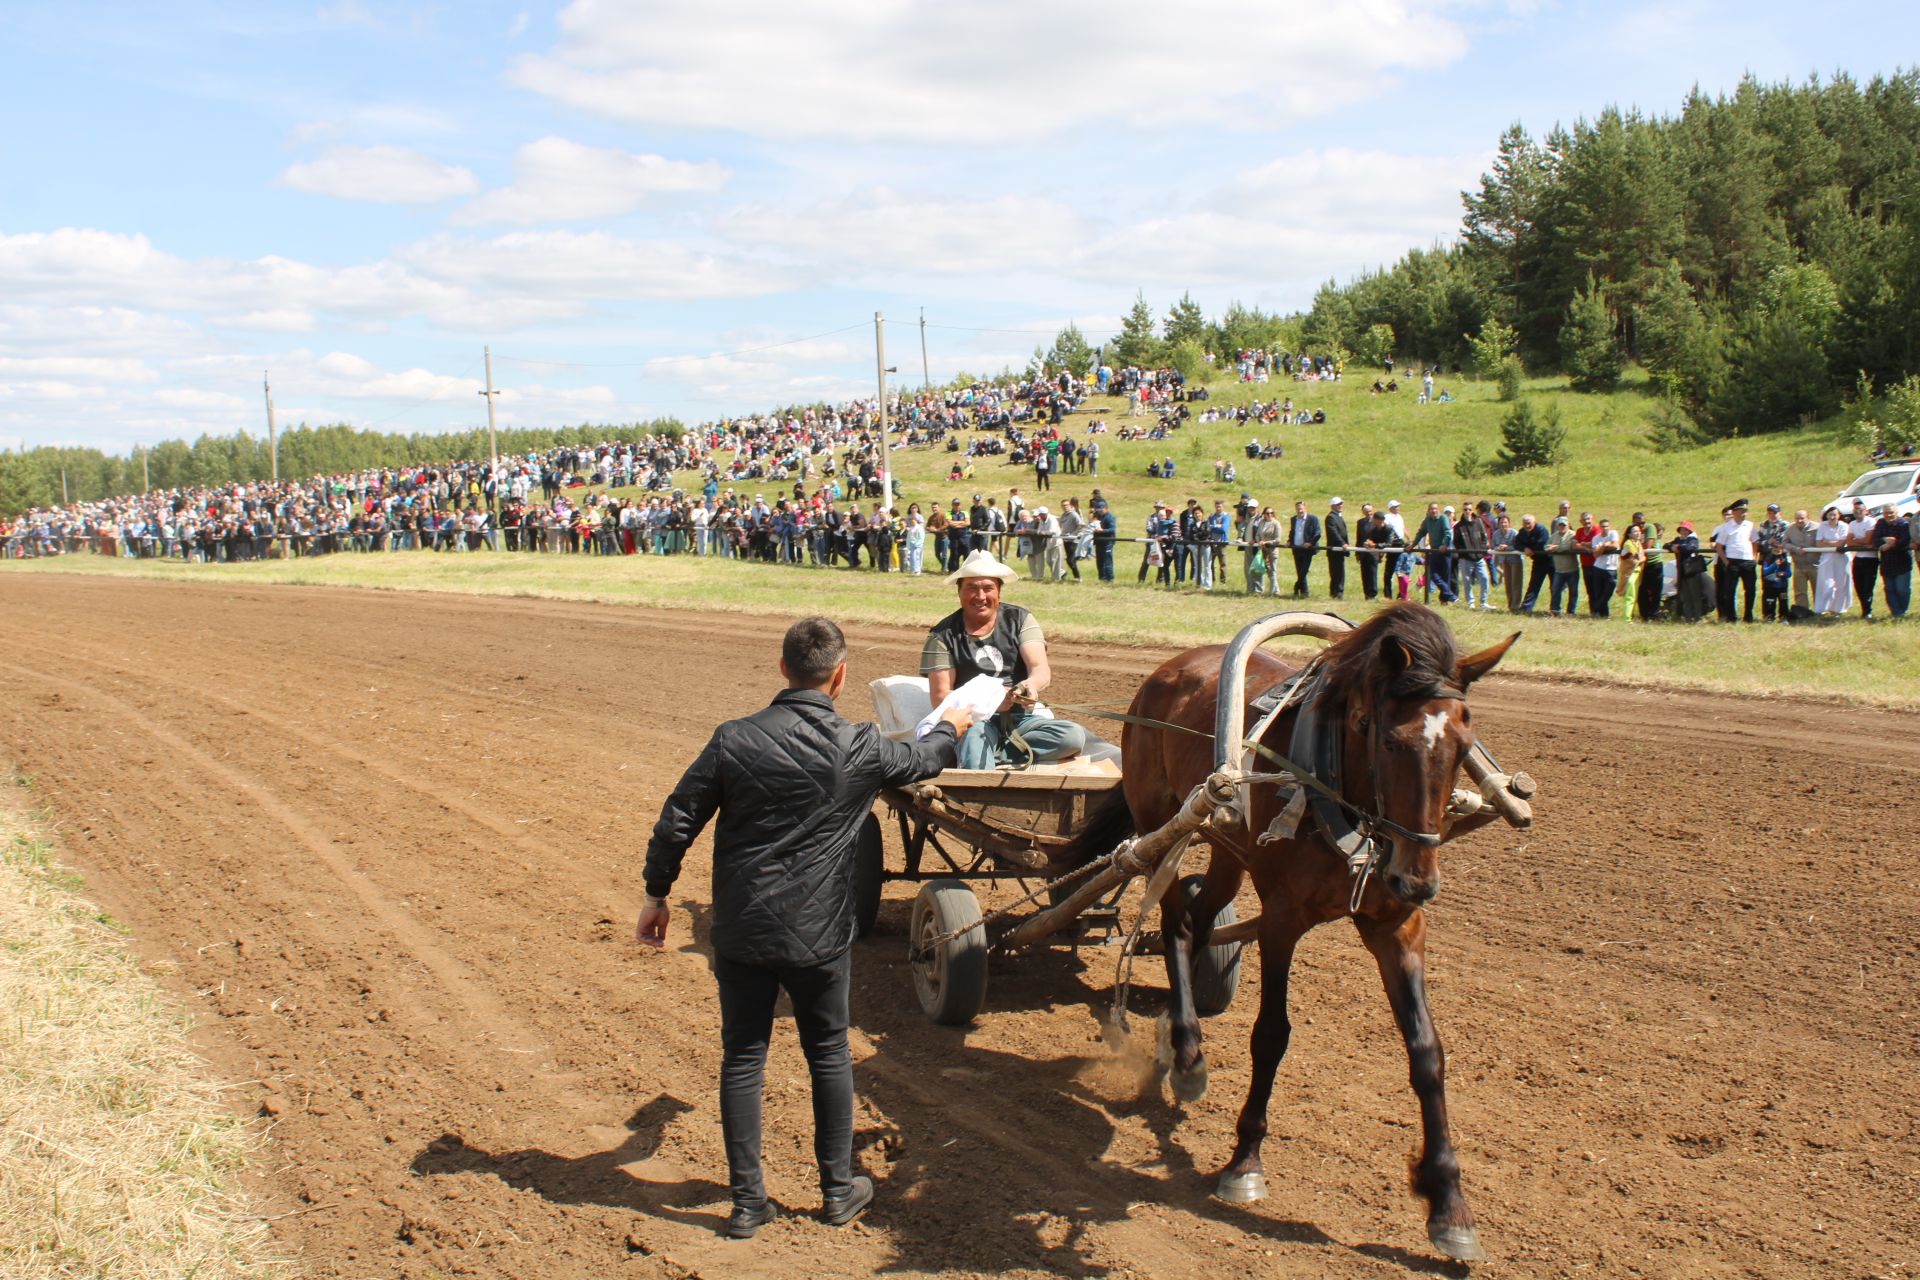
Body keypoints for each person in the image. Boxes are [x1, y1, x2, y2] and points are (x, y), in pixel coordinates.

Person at [639, 618, 971, 1238]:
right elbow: (926, 759)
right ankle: (838, 1192)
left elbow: (677, 820)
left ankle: (746, 1205)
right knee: (827, 1053)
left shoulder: (731, 739)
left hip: (742, 929)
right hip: (820, 935)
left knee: (742, 1056)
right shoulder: (862, 745)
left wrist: (657, 894)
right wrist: (954, 723)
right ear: (839, 676)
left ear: (782, 667)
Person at [922, 551, 1088, 769]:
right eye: (972, 587)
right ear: (959, 592)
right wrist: (990, 704)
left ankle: (990, 754)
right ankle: (978, 761)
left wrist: (1029, 686)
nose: (980, 596)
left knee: (1072, 736)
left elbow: (1040, 669)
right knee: (975, 739)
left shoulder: (1020, 619)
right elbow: (941, 696)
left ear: (998, 592)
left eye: (988, 588)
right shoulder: (942, 635)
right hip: (973, 721)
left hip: (1021, 720)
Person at [1711, 499, 1758, 622]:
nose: (1744, 513)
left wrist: (1754, 557)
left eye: (1746, 511)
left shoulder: (1750, 526)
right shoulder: (1726, 527)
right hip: (1733, 562)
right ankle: (1731, 617)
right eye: (1742, 511)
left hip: (1748, 561)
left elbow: (1755, 542)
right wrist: (1726, 562)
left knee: (1750, 590)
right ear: (1735, 512)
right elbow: (1719, 546)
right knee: (1730, 591)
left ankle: (1748, 616)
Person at [1814, 505, 1852, 616]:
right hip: (1827, 557)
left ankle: (1838, 609)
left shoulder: (1844, 526)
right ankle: (1822, 608)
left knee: (1841, 584)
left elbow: (1841, 543)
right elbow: (1818, 543)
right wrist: (1832, 543)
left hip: (1841, 558)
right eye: (1830, 515)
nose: (1832, 517)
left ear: (1838, 515)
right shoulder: (1822, 526)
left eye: (1834, 515)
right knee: (1825, 584)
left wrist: (1826, 542)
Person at [1875, 504, 1912, 619]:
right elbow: (1875, 539)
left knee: (1902, 589)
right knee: (1889, 589)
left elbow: (1905, 540)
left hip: (1902, 562)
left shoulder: (1903, 524)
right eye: (1886, 513)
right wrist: (1884, 540)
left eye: (1891, 512)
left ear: (1896, 512)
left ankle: (1903, 611)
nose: (1889, 515)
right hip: (1887, 563)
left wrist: (1892, 544)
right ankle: (1896, 614)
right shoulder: (1880, 523)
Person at [1846, 498, 1880, 620]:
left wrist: (1857, 541)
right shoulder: (1852, 524)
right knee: (1858, 585)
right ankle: (1864, 609)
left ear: (1865, 511)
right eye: (1856, 510)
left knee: (1868, 586)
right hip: (1859, 558)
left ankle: (1867, 611)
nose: (1858, 512)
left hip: (1870, 559)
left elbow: (1868, 540)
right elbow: (1849, 542)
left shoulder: (1871, 522)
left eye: (1860, 510)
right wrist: (1861, 543)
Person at [1288, 500, 1320, 597]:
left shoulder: (1313, 519)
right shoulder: (1293, 519)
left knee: (1304, 570)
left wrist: (1310, 543)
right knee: (1299, 570)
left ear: (1305, 508)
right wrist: (1289, 541)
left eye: (1301, 509)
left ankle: (1297, 586)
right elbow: (1292, 532)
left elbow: (1317, 533)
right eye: (1297, 509)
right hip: (1296, 548)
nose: (1299, 511)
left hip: (1308, 549)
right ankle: (1304, 592)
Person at [1324, 497, 1349, 599]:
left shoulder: (1339, 517)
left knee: (1340, 572)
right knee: (1336, 572)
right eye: (1338, 504)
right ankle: (1336, 593)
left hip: (1340, 551)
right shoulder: (1330, 518)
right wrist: (1342, 543)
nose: (1340, 506)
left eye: (1341, 504)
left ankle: (1338, 592)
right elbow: (1333, 533)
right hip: (1334, 550)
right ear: (1333, 506)